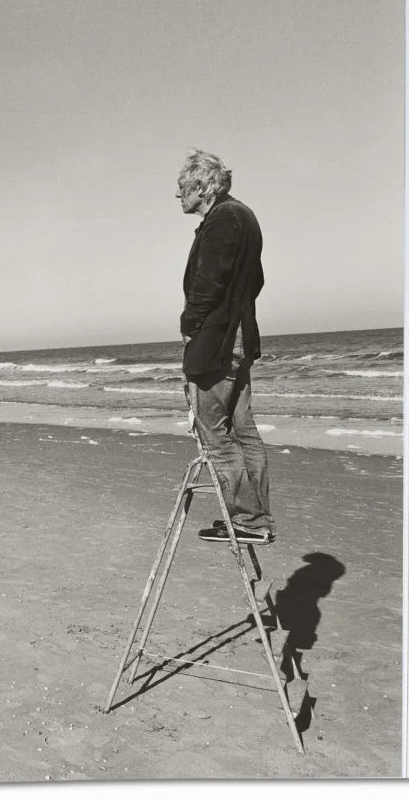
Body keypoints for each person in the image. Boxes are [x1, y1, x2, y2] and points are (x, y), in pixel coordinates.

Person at [175, 149, 275, 545]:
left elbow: (209, 280)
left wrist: (190, 323)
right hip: (237, 333)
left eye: (182, 188)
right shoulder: (242, 216)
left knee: (213, 430)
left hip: (219, 336)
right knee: (243, 430)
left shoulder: (224, 219)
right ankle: (257, 519)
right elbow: (256, 280)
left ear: (201, 186)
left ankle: (249, 519)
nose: (179, 196)